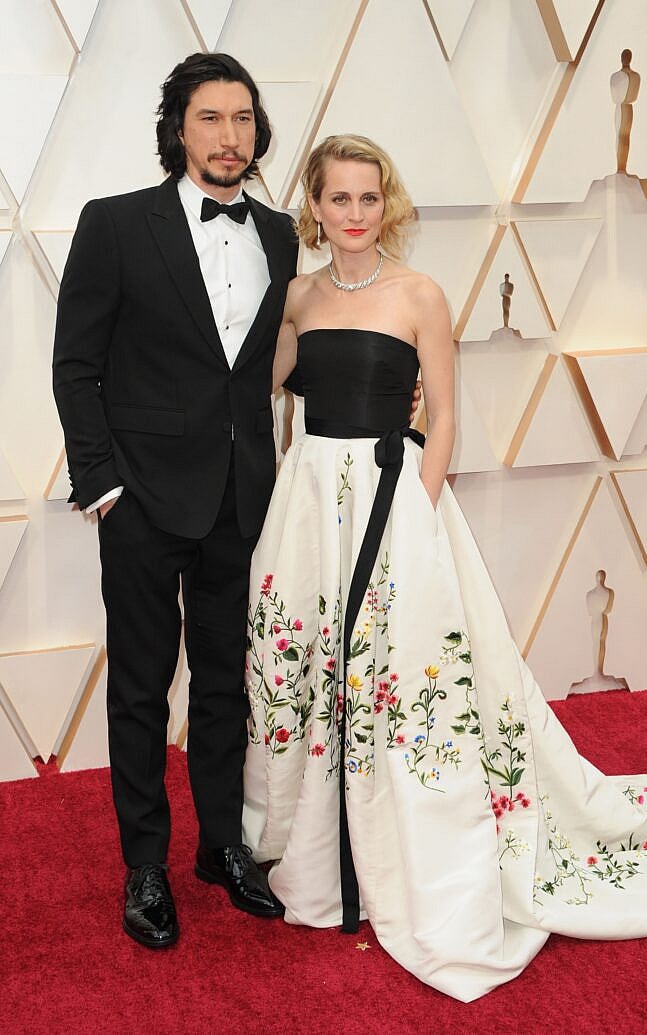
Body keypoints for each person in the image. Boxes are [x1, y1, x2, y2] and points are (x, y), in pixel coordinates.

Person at [241, 134, 647, 1002]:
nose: (355, 215)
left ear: (389, 203)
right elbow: (264, 384)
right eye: (339, 199)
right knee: (309, 673)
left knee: (402, 682)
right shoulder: (298, 295)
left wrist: (414, 507)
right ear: (316, 206)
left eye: (369, 199)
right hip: (307, 509)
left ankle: (412, 848)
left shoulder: (420, 294)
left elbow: (443, 417)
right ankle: (322, 852)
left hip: (394, 502)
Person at [52, 53, 298, 949]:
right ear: (178, 128)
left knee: (230, 684)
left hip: (241, 498)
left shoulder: (279, 235)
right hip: (144, 500)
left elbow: (268, 364)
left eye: (242, 118)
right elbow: (75, 364)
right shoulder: (115, 225)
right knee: (142, 689)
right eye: (210, 118)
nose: (229, 136)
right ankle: (145, 865)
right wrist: (104, 484)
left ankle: (222, 846)